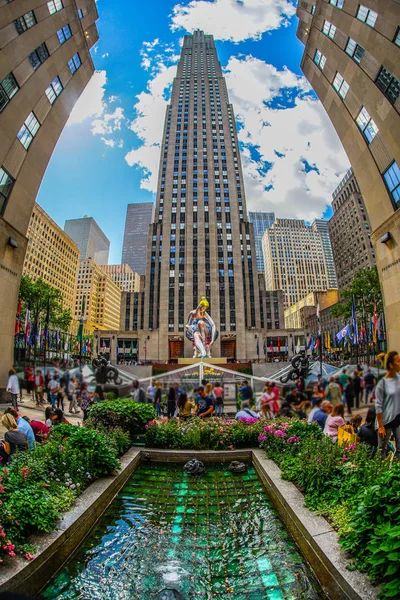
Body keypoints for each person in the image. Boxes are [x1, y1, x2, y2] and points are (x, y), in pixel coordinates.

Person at [375, 351, 400, 459]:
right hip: (385, 421)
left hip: (398, 419)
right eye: (398, 361)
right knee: (382, 450)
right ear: (390, 365)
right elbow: (378, 405)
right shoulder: (382, 382)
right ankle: (381, 473)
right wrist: (380, 426)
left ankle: (395, 473)